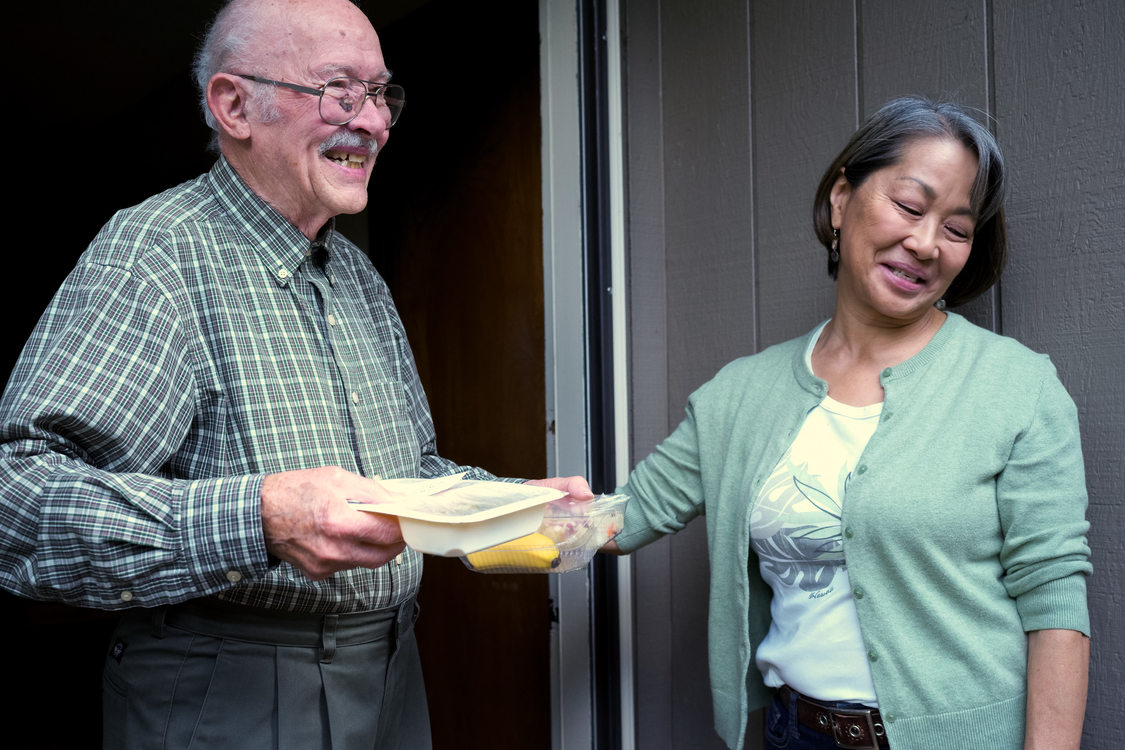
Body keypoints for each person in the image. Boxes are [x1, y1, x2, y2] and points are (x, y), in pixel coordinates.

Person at [0, 0, 590, 747]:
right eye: (341, 91)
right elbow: (17, 502)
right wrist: (261, 519)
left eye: (380, 95)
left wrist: (510, 507)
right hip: (230, 687)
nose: (373, 122)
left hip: (393, 673)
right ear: (234, 105)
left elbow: (406, 474)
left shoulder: (358, 276)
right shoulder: (154, 251)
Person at [606, 96, 1091, 750]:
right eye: (909, 206)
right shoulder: (738, 396)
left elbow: (1053, 601)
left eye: (956, 228)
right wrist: (439, 515)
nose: (924, 243)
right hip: (793, 733)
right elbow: (616, 517)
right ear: (841, 199)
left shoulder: (1016, 386)